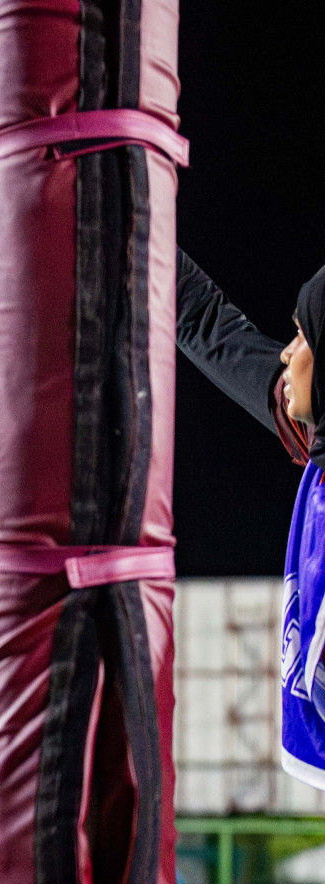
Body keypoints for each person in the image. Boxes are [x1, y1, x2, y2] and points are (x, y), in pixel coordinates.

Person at [172, 253, 325, 786]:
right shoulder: (316, 439)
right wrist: (138, 217)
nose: (286, 352)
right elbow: (208, 326)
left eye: (304, 336)